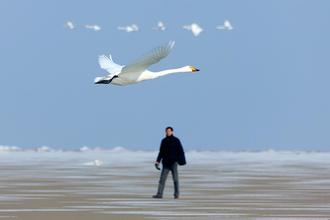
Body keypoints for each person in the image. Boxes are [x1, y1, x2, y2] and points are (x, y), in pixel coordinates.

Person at [152, 126, 186, 199]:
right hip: (166, 164)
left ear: (172, 132)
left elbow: (181, 151)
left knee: (175, 180)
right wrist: (157, 161)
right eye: (167, 131)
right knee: (162, 180)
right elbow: (161, 152)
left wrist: (181, 161)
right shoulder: (163, 141)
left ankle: (176, 195)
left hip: (174, 163)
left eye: (169, 131)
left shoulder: (176, 140)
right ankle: (159, 194)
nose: (168, 132)